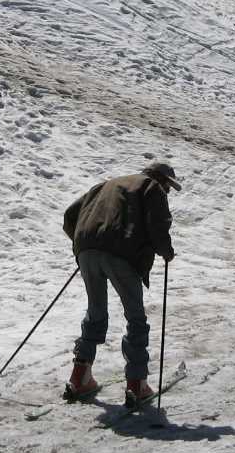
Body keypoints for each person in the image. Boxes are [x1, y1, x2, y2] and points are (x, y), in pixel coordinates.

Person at [62, 162, 179, 407]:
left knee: (95, 313)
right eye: (168, 187)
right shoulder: (151, 186)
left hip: (86, 250)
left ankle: (79, 376)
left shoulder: (105, 184)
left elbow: (71, 214)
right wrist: (166, 251)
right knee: (135, 318)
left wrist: (89, 241)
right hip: (121, 254)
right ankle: (137, 384)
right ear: (161, 179)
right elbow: (157, 223)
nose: (167, 192)